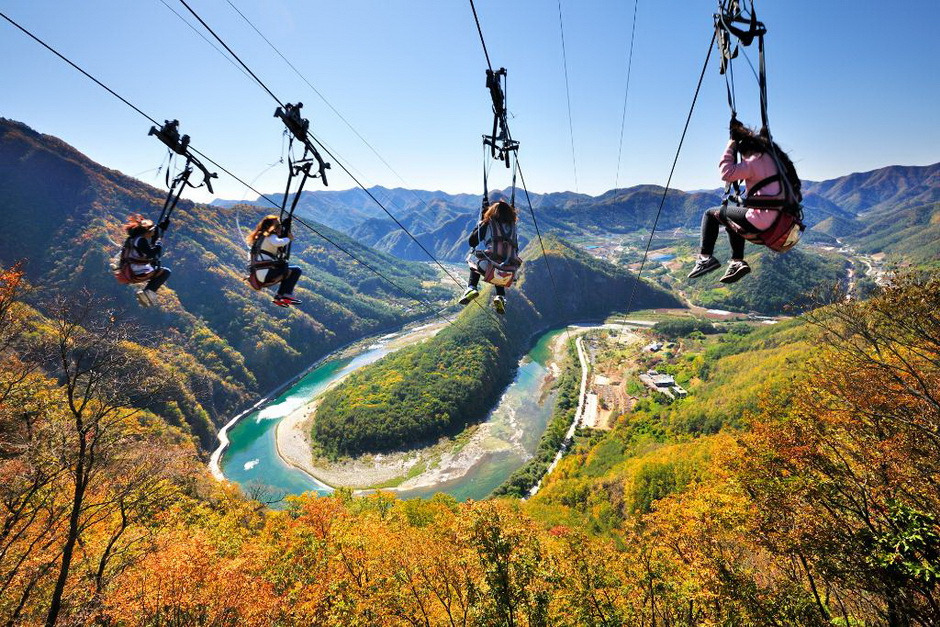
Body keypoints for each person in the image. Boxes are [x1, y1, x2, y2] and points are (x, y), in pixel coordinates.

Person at [688, 119, 799, 283]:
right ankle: (737, 261)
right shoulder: (778, 162)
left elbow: (726, 172)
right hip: (779, 219)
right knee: (731, 217)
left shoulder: (755, 160)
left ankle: (705, 258)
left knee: (710, 214)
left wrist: (731, 145)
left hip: (762, 221)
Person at [459, 200, 521, 315]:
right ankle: (500, 296)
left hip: (491, 267)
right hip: (511, 271)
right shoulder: (513, 226)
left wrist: (481, 224)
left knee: (475, 260)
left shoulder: (488, 223)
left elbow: (472, 242)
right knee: (499, 265)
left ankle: (472, 287)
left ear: (491, 212)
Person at [247, 215, 302, 307]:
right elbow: (278, 242)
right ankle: (284, 294)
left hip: (259, 273)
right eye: (278, 226)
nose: (280, 228)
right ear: (273, 227)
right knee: (295, 270)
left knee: (294, 270)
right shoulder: (270, 236)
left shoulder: (260, 237)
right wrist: (288, 238)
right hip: (266, 272)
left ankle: (281, 296)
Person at [121, 214, 171, 307]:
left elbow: (152, 238)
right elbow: (151, 253)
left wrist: (160, 227)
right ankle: (148, 292)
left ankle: (146, 292)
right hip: (136, 271)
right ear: (147, 232)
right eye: (152, 231)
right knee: (166, 272)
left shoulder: (133, 239)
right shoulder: (141, 241)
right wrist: (159, 246)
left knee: (156, 268)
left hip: (129, 269)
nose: (153, 232)